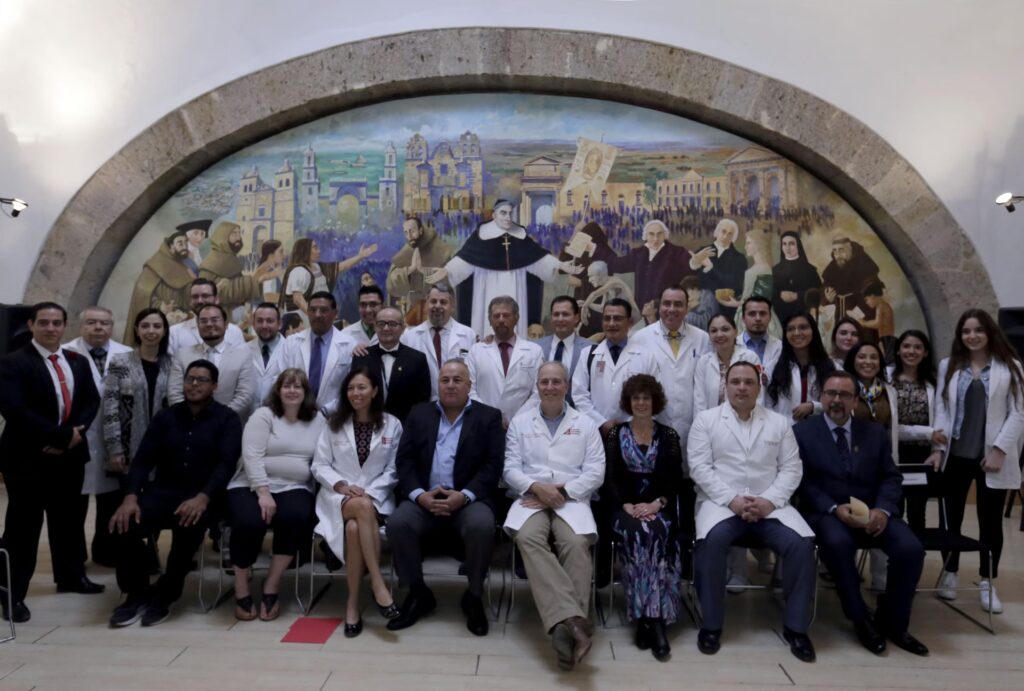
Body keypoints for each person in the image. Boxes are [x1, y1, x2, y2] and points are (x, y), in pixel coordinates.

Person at [688, 361, 817, 662]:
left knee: (801, 545)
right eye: (735, 382)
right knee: (711, 544)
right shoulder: (705, 421)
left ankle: (796, 628)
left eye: (749, 382)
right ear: (725, 386)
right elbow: (699, 467)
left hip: (770, 507)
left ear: (759, 387)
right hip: (721, 506)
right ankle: (711, 625)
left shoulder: (779, 423)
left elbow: (791, 469)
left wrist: (768, 501)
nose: (742, 387)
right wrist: (732, 499)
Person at [793, 371, 929, 656]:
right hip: (827, 512)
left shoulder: (874, 432)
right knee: (838, 543)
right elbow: (802, 481)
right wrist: (834, 507)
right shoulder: (802, 432)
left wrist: (883, 509)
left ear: (856, 401)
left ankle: (894, 622)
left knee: (911, 549)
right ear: (821, 397)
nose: (836, 400)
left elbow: (891, 477)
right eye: (831, 393)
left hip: (873, 510)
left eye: (844, 395)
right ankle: (860, 617)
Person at [108, 360, 243, 628]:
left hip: (205, 496)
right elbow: (143, 460)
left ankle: (166, 593)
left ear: (214, 386)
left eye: (202, 380)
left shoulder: (227, 419)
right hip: (165, 491)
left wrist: (203, 497)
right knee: (123, 523)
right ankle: (136, 593)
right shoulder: (166, 416)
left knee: (189, 524)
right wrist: (130, 497)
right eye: (190, 379)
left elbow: (226, 465)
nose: (194, 384)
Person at [385, 360, 504, 636]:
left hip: (468, 499)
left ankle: (474, 596)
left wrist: (465, 496)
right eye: (445, 380)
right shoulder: (419, 414)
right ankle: (418, 593)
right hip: (425, 498)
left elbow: (493, 466)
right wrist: (419, 496)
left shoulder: (488, 417)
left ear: (469, 385)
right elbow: (404, 461)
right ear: (437, 385)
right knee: (398, 523)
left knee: (482, 525)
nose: (450, 385)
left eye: (457, 380)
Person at [0, 302, 102, 623]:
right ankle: (12, 594)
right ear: (31, 325)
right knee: (23, 528)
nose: (51, 328)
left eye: (56, 323)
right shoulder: (13, 362)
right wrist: (59, 437)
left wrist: (74, 435)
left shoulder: (77, 361)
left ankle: (71, 577)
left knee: (68, 521)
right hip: (28, 457)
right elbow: (14, 410)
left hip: (70, 457)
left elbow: (91, 401)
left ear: (64, 326)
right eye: (43, 322)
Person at [503, 362, 605, 669]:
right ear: (537, 386)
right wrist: (536, 487)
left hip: (570, 499)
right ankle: (574, 622)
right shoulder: (521, 422)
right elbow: (510, 468)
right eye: (544, 381)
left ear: (566, 386)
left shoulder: (585, 424)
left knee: (575, 544)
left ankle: (565, 635)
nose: (550, 387)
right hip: (531, 498)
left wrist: (563, 491)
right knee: (527, 537)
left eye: (556, 382)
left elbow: (596, 471)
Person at [927, 309, 1024, 614]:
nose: (972, 336)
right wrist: (938, 446)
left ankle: (987, 580)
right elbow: (942, 407)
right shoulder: (949, 365)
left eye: (978, 330)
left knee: (990, 522)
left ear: (990, 332)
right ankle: (950, 571)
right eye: (966, 331)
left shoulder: (1011, 366)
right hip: (955, 455)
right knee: (950, 518)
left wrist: (1000, 449)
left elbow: (1018, 412)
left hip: (990, 459)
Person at [227, 368, 324, 621]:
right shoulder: (263, 415)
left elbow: (323, 457)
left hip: (295, 486)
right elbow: (251, 455)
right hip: (251, 483)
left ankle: (272, 583)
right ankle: (241, 585)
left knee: (297, 516)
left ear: (306, 392)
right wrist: (263, 491)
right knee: (249, 521)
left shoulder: (317, 420)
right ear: (278, 391)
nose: (292, 391)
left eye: (297, 386)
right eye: (286, 386)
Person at [312, 366, 402, 636]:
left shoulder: (392, 424)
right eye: (350, 388)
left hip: (376, 497)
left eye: (362, 387)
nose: (355, 393)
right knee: (362, 507)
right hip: (338, 496)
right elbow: (319, 465)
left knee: (354, 529)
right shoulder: (333, 424)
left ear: (374, 391)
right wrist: (340, 484)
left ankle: (352, 604)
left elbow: (394, 469)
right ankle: (377, 582)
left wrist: (371, 492)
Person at [602, 374, 684, 662]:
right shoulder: (615, 434)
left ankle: (648, 619)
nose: (641, 403)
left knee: (657, 534)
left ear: (655, 401)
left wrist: (656, 504)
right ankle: (653, 619)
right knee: (640, 534)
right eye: (636, 398)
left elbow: (675, 480)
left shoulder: (669, 436)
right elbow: (609, 478)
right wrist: (626, 505)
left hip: (658, 507)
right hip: (623, 509)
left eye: (646, 398)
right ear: (629, 402)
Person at [430, 199, 579, 338]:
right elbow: (465, 260)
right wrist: (447, 270)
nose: (508, 217)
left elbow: (538, 259)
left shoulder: (520, 236)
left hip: (516, 289)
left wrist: (561, 265)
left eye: (510, 213)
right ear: (494, 215)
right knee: (486, 331)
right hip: (486, 289)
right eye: (503, 213)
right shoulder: (482, 236)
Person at [101, 308, 173, 574]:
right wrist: (114, 448)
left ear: (164, 331)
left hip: (163, 449)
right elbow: (110, 407)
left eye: (157, 326)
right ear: (137, 330)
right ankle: (134, 559)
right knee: (129, 503)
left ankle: (151, 552)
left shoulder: (172, 364)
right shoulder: (121, 362)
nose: (151, 331)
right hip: (128, 446)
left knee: (154, 503)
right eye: (145, 326)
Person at [65, 306, 132, 569]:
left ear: (112, 327)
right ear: (81, 326)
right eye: (91, 322)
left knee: (110, 501)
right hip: (77, 438)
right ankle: (74, 557)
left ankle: (106, 552)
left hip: (114, 440)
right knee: (73, 504)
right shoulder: (66, 353)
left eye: (104, 323)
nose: (98, 328)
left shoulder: (126, 354)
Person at [631, 286, 710, 453]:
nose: (672, 309)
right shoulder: (640, 338)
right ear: (659, 307)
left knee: (691, 467)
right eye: (667, 304)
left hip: (692, 427)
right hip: (653, 425)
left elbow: (706, 385)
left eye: (678, 304)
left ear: (687, 308)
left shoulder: (702, 338)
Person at [572, 299, 660, 434]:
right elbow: (579, 395)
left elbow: (655, 396)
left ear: (630, 322)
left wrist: (630, 425)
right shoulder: (588, 355)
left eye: (617, 318)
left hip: (635, 433)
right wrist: (602, 423)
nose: (611, 323)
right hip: (596, 432)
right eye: (607, 318)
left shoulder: (646, 356)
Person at [889, 329, 942, 533]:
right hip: (892, 451)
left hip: (922, 455)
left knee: (917, 510)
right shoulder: (886, 378)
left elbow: (940, 419)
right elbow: (890, 426)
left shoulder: (934, 382)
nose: (911, 351)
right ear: (898, 350)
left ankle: (916, 549)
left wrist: (936, 447)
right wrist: (927, 432)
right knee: (894, 507)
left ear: (926, 353)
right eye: (906, 346)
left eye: (918, 347)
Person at [271, 291, 354, 416]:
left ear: (335, 313)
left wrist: (326, 412)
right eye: (313, 310)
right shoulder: (291, 343)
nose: (317, 315)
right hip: (296, 416)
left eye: (324, 310)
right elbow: (278, 379)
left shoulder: (349, 345)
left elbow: (352, 388)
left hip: (334, 417)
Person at [168, 304, 257, 418]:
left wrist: (219, 420)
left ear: (226, 325)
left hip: (228, 423)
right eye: (203, 321)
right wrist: (190, 418)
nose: (209, 324)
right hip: (188, 423)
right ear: (198, 326)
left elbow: (245, 395)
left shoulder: (242, 356)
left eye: (215, 320)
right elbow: (174, 393)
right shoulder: (182, 355)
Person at [467, 296, 543, 426]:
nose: (501, 320)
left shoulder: (534, 351)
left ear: (516, 318)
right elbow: (469, 390)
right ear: (489, 320)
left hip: (523, 424)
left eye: (506, 315)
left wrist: (517, 420)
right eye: (496, 316)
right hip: (484, 423)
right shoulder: (476, 351)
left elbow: (538, 391)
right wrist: (491, 417)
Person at [351, 306, 432, 422]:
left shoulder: (417, 359)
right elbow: (354, 394)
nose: (386, 328)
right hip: (368, 424)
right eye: (381, 323)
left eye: (392, 324)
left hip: (406, 425)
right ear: (375, 327)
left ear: (403, 328)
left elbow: (422, 400)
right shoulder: (362, 357)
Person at [400, 284, 477, 400]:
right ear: (426, 304)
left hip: (457, 402)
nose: (437, 306)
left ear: (452, 306)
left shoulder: (468, 335)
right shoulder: (409, 336)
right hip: (422, 403)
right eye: (433, 301)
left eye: (443, 302)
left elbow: (472, 374)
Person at [604, 219, 694, 313]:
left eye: (659, 234)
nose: (655, 238)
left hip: (667, 309)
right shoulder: (638, 254)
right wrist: (596, 250)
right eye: (651, 234)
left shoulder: (676, 252)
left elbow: (689, 267)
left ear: (665, 235)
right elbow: (617, 264)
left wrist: (693, 263)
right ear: (645, 236)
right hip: (642, 309)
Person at [280, 237, 378, 321]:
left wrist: (360, 256)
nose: (319, 251)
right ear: (305, 251)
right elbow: (298, 299)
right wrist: (314, 316)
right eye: (315, 247)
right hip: (304, 320)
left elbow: (341, 267)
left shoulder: (317, 267)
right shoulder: (298, 271)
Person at [123, 231, 197, 342]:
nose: (184, 246)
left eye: (186, 243)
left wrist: (193, 281)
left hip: (179, 324)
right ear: (171, 246)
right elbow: (142, 294)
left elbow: (187, 295)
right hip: (156, 324)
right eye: (180, 243)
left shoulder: (185, 267)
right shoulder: (155, 264)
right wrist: (160, 306)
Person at [198, 221, 280, 315]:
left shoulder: (231, 258)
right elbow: (219, 292)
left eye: (239, 233)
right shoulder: (211, 263)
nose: (238, 238)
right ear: (222, 237)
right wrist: (253, 279)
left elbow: (238, 292)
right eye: (234, 233)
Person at [766, 312, 834, 422]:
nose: (797, 333)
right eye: (791, 329)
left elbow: (839, 401)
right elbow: (767, 404)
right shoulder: (773, 367)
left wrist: (814, 406)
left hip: (820, 429)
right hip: (784, 429)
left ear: (813, 331)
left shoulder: (831, 366)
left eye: (803, 327)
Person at [694, 314, 760, 414]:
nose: (719, 334)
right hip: (711, 422)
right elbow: (699, 401)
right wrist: (702, 422)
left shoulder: (750, 358)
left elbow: (759, 396)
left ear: (735, 332)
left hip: (745, 420)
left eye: (725, 329)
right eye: (714, 331)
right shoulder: (703, 362)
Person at [386, 216, 454, 311]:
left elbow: (448, 280)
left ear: (420, 230)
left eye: (412, 231)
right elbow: (391, 284)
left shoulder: (440, 249)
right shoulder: (408, 250)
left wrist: (423, 270)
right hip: (413, 310)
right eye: (406, 233)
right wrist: (410, 269)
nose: (409, 236)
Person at [167, 278, 246, 356]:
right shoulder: (174, 333)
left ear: (216, 299)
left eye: (205, 296)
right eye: (195, 297)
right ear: (190, 301)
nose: (200, 301)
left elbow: (242, 361)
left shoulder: (234, 331)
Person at [690, 219, 746, 321]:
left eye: (730, 234)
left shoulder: (739, 259)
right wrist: (694, 263)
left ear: (733, 237)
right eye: (723, 231)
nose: (725, 236)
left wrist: (711, 268)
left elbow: (734, 284)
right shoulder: (703, 251)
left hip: (725, 309)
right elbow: (691, 278)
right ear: (717, 232)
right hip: (701, 308)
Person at [820, 235, 879, 322]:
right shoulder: (832, 269)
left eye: (841, 250)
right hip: (839, 319)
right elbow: (823, 294)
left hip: (861, 318)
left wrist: (855, 315)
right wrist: (827, 299)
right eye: (835, 251)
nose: (838, 255)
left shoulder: (864, 266)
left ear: (850, 249)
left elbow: (873, 296)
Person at [771, 231, 821, 327]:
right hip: (781, 317)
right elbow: (771, 293)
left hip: (804, 315)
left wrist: (797, 296)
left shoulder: (810, 270)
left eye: (791, 244)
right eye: (784, 244)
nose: (787, 248)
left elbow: (817, 292)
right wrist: (779, 294)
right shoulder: (775, 270)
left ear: (798, 245)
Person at [534, 295, 585, 383]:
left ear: (576, 318)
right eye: (556, 314)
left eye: (565, 314)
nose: (560, 319)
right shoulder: (536, 347)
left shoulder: (590, 349)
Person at [247, 302, 286, 411]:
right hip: (248, 416)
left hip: (280, 415)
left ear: (279, 324)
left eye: (270, 321)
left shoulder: (291, 350)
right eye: (260, 321)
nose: (264, 325)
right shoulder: (244, 350)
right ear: (253, 324)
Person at [737, 296, 782, 375]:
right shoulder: (733, 345)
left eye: (762, 313)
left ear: (770, 318)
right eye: (752, 314)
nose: (758, 318)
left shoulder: (780, 347)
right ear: (743, 318)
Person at [858, 281, 896, 359]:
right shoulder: (883, 305)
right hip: (885, 338)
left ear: (872, 296)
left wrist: (864, 323)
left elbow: (877, 323)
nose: (867, 303)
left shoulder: (881, 306)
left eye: (867, 300)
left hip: (887, 338)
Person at [257, 239, 285, 305]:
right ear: (270, 255)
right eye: (280, 252)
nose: (283, 255)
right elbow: (268, 297)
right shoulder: (269, 273)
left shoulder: (264, 270)